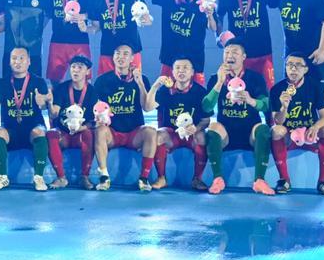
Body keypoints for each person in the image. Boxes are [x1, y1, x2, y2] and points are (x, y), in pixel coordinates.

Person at [202, 39, 274, 195]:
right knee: (212, 128)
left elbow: (266, 105)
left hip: (250, 132)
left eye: (235, 52)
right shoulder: (215, 78)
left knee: (263, 129)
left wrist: (251, 100)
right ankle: (218, 179)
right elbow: (206, 107)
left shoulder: (255, 78)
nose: (230, 55)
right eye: (227, 52)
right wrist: (219, 83)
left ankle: (259, 180)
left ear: (243, 57)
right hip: (226, 134)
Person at [268, 0, 324, 123]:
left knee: (322, 89)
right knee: (292, 87)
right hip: (292, 53)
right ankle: (292, 126)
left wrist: (322, 49)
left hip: (315, 52)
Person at [138, 0, 216, 85]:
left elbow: (213, 28)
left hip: (194, 58)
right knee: (166, 92)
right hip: (170, 57)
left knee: (196, 94)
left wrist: (210, 15)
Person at [270, 53, 324, 196]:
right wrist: (284, 107)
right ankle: (284, 180)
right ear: (285, 68)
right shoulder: (277, 89)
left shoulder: (315, 86)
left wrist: (315, 127)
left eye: (298, 65)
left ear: (305, 69)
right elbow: (277, 121)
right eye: (289, 65)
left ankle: (323, 181)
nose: (293, 69)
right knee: (276, 131)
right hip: (289, 137)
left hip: (310, 135)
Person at [93, 44, 156, 192]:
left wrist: (140, 83)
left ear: (132, 58)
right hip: (112, 132)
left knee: (151, 132)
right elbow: (95, 108)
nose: (121, 57)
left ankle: (144, 178)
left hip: (134, 133)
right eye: (117, 53)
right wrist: (99, 117)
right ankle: (104, 176)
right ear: (113, 57)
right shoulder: (102, 80)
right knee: (100, 130)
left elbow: (147, 107)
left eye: (125, 54)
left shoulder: (142, 79)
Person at [145, 57, 211, 190]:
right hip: (171, 135)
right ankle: (161, 178)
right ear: (173, 72)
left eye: (185, 68)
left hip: (192, 134)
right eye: (178, 68)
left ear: (192, 72)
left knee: (202, 136)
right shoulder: (164, 91)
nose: (181, 71)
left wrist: (196, 128)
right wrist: (156, 85)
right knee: (158, 135)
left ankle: (197, 179)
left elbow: (206, 120)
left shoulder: (200, 92)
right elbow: (147, 107)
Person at [0, 47, 51, 191]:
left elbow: (44, 106)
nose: (17, 62)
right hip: (11, 131)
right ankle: (2, 177)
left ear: (29, 61)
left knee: (39, 132)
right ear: (9, 62)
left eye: (21, 58)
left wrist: (42, 102)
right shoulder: (1, 83)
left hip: (32, 129)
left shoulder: (38, 82)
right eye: (14, 58)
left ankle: (38, 177)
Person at [81, 0, 150, 75]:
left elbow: (146, 18)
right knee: (106, 84)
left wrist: (146, 20)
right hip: (108, 50)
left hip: (131, 50)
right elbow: (96, 27)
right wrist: (85, 28)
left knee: (133, 83)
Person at [216, 0, 278, 89]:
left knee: (268, 91)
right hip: (238, 55)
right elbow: (218, 16)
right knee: (237, 91)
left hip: (263, 52)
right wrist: (219, 36)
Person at [46, 0, 96, 87]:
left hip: (79, 39)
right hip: (57, 39)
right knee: (54, 81)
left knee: (84, 81)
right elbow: (49, 12)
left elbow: (94, 13)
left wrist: (82, 16)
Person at [46, 55, 98, 189]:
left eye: (80, 67)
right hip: (63, 135)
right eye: (73, 67)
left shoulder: (92, 92)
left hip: (80, 135)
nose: (76, 70)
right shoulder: (61, 88)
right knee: (51, 134)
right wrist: (50, 103)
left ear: (87, 71)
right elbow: (54, 114)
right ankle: (61, 178)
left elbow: (94, 121)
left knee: (89, 134)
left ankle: (84, 177)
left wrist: (81, 128)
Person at [0, 0, 52, 78]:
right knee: (7, 84)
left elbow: (49, 15)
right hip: (10, 50)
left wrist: (36, 29)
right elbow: (0, 18)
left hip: (33, 51)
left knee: (34, 84)